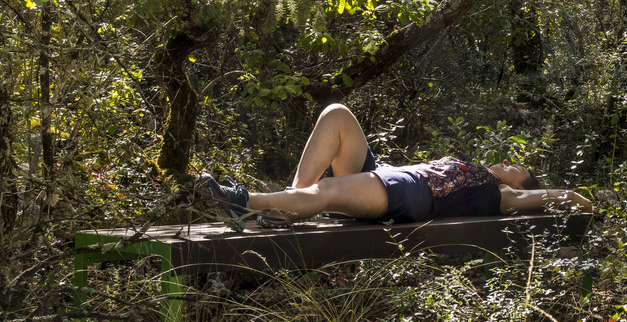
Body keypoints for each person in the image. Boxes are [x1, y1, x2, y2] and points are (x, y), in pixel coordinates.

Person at [195, 103, 590, 225]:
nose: (508, 162)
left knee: (329, 190)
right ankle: (289, 204)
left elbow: (557, 197)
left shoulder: (501, 193)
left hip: (409, 193)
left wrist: (578, 197)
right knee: (336, 114)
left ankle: (243, 203)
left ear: (519, 184)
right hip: (389, 175)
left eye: (516, 166)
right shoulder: (478, 172)